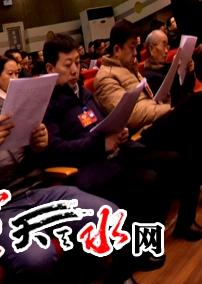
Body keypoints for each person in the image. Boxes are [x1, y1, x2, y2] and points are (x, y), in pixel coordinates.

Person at [0, 43, 123, 283]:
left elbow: (42, 157)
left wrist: (39, 147)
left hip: (40, 191)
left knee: (110, 216)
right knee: (37, 258)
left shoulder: (6, 106)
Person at [41, 35, 175, 273]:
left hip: (115, 153)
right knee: (147, 180)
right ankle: (136, 253)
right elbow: (56, 150)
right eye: (67, 64)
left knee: (169, 162)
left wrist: (119, 131)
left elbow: (103, 122)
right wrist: (99, 144)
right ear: (50, 68)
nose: (75, 70)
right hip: (87, 169)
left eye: (77, 62)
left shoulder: (83, 92)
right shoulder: (46, 104)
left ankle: (147, 245)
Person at [92, 19, 202, 240]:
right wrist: (168, 110)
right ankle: (184, 220)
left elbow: (147, 104)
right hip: (137, 138)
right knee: (194, 106)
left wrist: (163, 103)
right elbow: (132, 115)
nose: (136, 53)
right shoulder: (106, 77)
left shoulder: (130, 70)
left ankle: (186, 219)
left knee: (191, 142)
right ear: (116, 49)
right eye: (132, 47)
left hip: (151, 128)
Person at [143, 28, 195, 104]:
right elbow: (173, 95)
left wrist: (189, 73)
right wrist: (174, 69)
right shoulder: (149, 76)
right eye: (163, 45)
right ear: (152, 49)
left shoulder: (167, 65)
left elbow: (188, 87)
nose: (166, 51)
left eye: (167, 46)